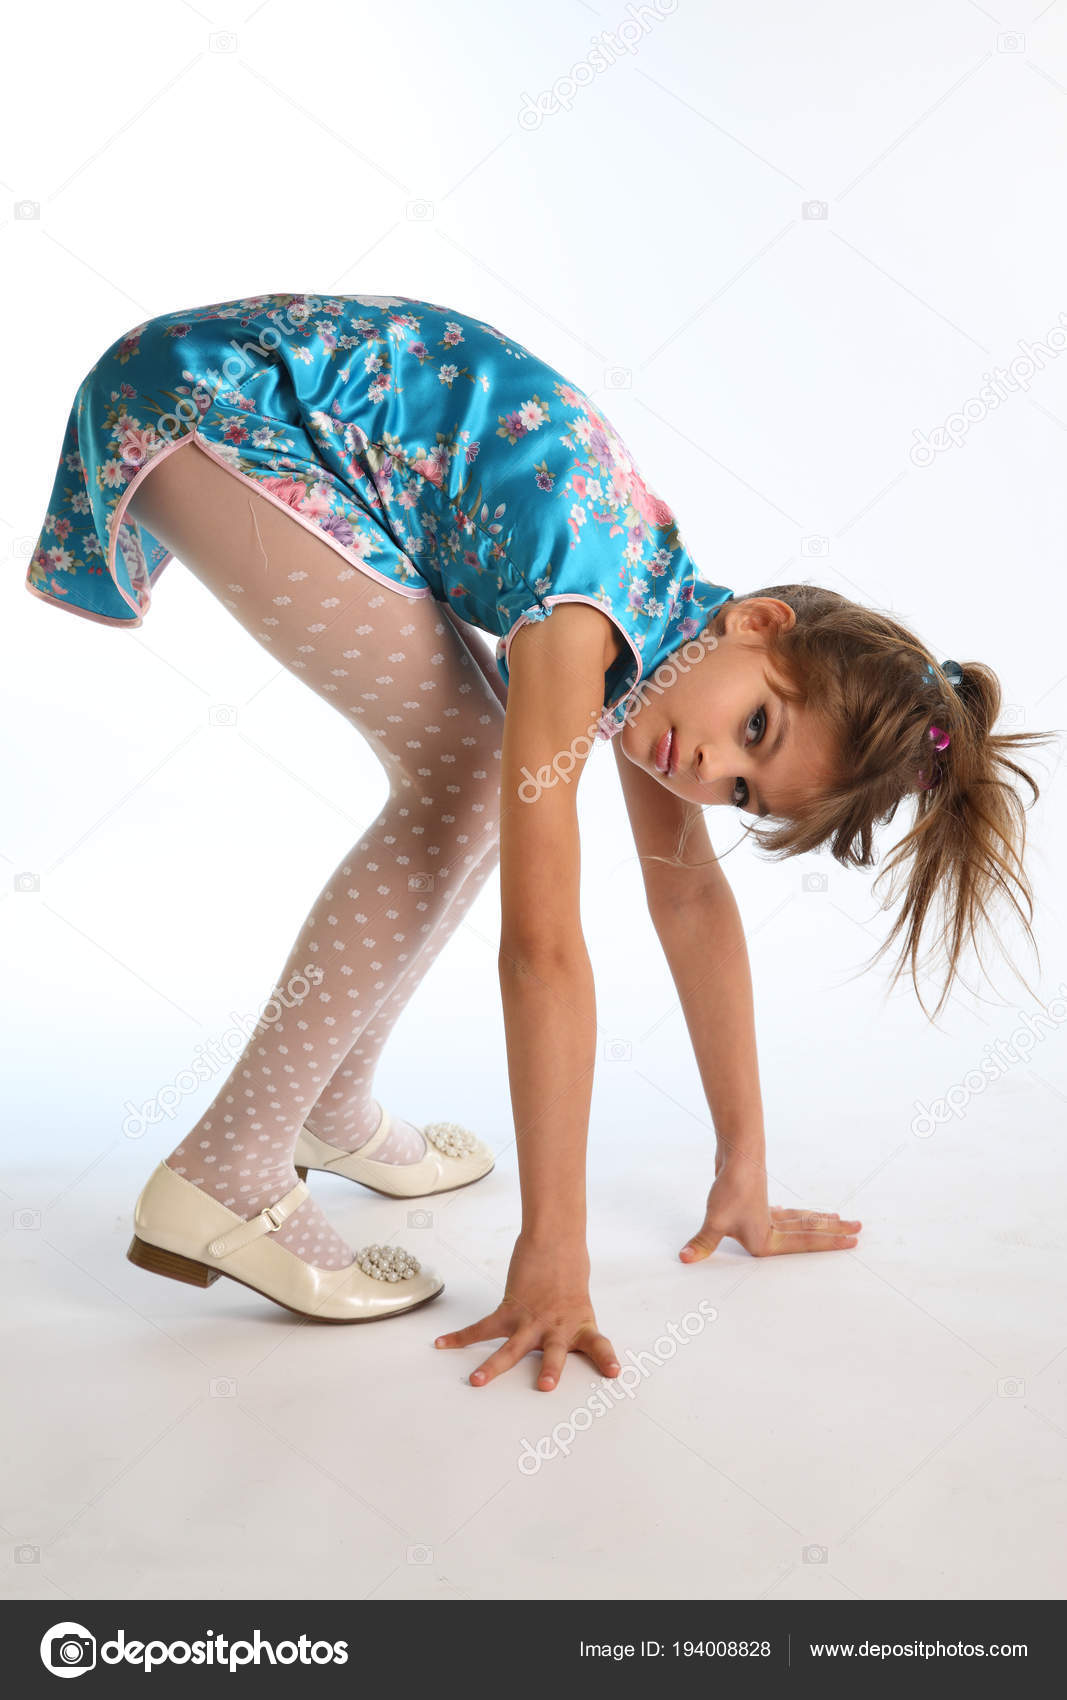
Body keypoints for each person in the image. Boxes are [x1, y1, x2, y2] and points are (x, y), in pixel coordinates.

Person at [25, 292, 1053, 1387]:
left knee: (467, 768)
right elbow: (541, 950)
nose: (710, 771)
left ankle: (326, 1105)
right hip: (210, 400)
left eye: (748, 793)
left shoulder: (668, 651)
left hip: (251, 411)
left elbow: (689, 899)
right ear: (756, 622)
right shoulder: (583, 624)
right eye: (754, 728)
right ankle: (227, 1164)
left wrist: (742, 1164)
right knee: (465, 774)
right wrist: (551, 1250)